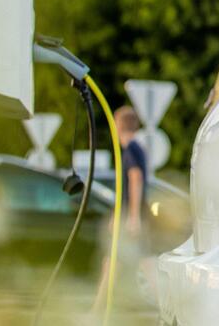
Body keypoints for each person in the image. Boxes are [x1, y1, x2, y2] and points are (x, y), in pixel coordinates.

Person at [92, 104, 150, 313]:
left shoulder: (131, 148)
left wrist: (132, 217)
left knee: (116, 263)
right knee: (117, 263)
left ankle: (97, 312)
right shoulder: (136, 148)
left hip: (129, 218)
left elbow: (135, 179)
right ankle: (100, 310)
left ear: (120, 124)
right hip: (126, 216)